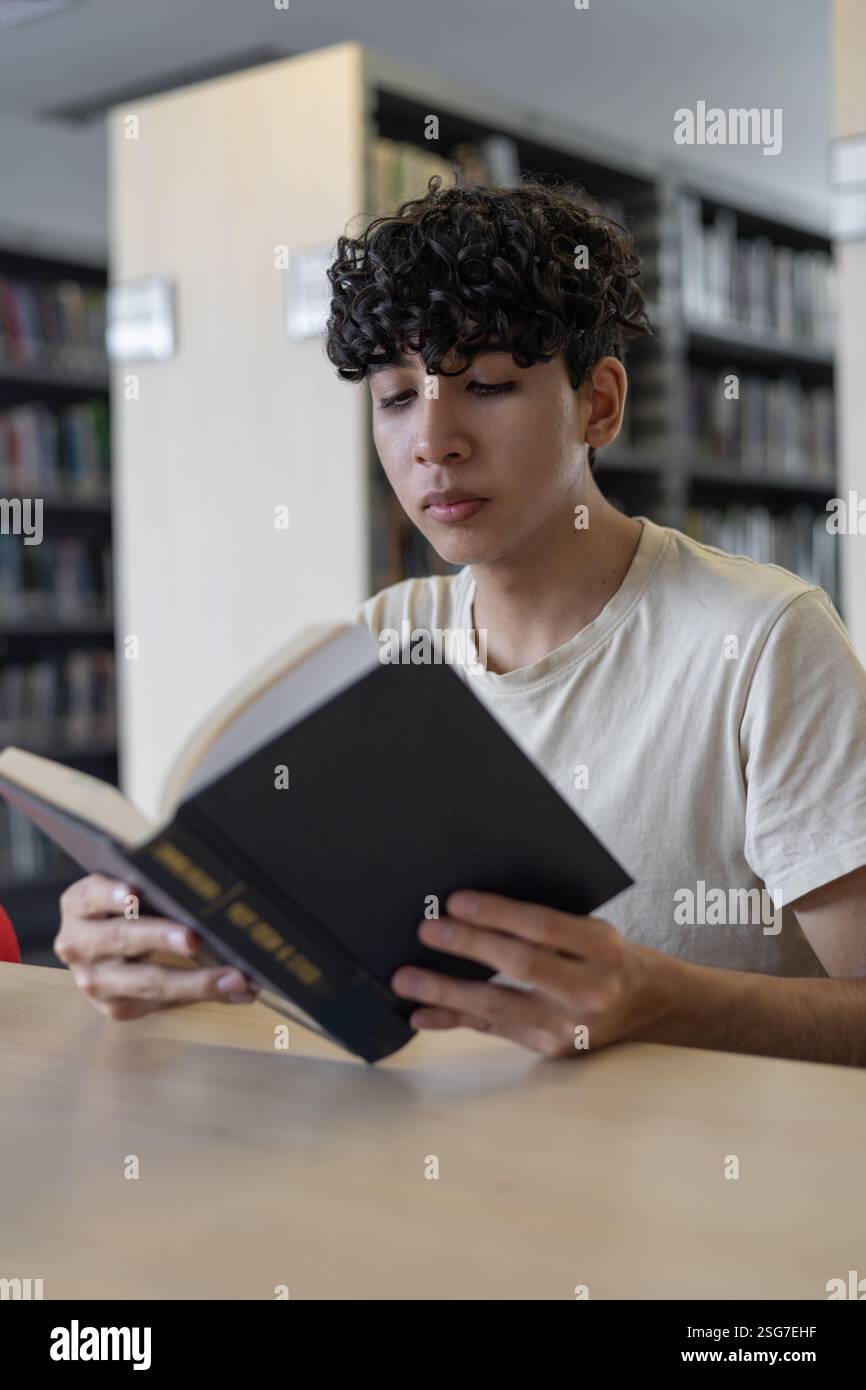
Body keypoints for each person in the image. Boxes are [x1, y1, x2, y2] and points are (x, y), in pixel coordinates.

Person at [55, 179, 866, 1062]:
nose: (433, 441)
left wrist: (662, 1001)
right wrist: (160, 944)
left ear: (598, 403)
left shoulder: (762, 638)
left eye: (485, 384)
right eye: (397, 397)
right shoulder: (385, 641)